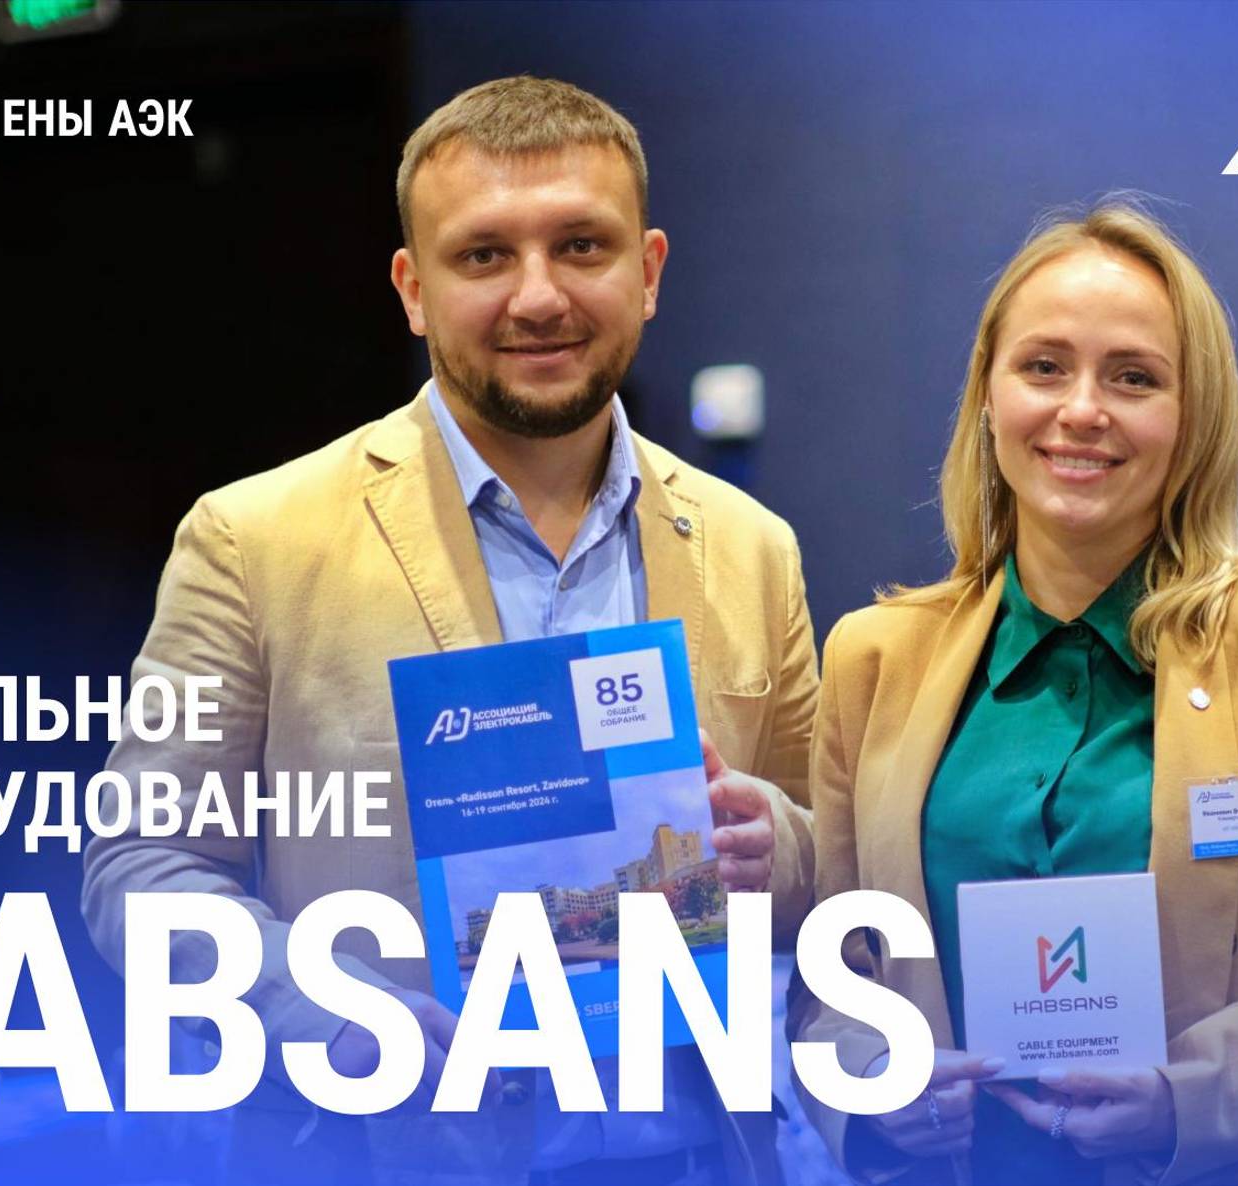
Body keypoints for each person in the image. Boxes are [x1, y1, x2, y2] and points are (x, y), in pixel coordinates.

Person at [83, 76, 818, 1186]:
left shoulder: (753, 546)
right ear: (414, 289)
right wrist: (313, 1007)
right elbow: (140, 863)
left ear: (650, 271)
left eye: (582, 246)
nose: (539, 296)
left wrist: (783, 848)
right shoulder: (253, 541)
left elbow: (829, 859)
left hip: (699, 1157)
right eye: (484, 256)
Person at [788, 202, 1238, 1186]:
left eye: (1134, 377)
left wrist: (1188, 1097)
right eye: (1044, 367)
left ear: (1192, 419)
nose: (1083, 409)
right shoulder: (873, 658)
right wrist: (873, 1085)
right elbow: (832, 974)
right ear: (988, 397)